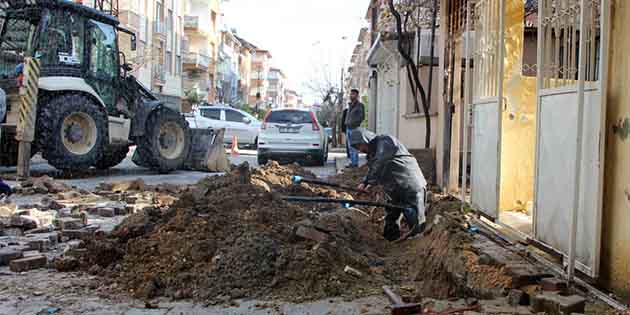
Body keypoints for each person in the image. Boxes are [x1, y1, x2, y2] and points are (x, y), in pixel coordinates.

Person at [350, 128, 427, 241]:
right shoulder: (372, 153)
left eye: (360, 145)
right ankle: (389, 243)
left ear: (366, 139)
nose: (360, 149)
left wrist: (365, 182)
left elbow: (380, 162)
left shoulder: (385, 141)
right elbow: (375, 169)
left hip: (410, 183)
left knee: (414, 218)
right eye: (357, 148)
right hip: (394, 189)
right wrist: (367, 184)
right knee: (391, 216)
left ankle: (417, 247)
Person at [344, 89, 365, 168]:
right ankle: (352, 162)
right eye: (350, 94)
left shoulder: (360, 105)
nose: (351, 95)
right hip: (348, 128)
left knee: (354, 147)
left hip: (354, 128)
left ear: (357, 95)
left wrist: (354, 124)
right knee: (350, 147)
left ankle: (355, 163)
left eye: (353, 94)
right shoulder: (350, 105)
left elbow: (361, 117)